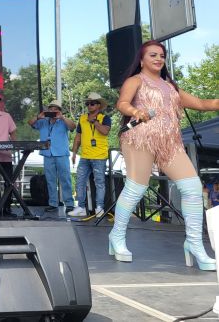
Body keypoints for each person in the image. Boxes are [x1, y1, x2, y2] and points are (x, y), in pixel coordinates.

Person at [110, 40, 219, 270]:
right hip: (140, 138)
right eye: (153, 55)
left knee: (192, 187)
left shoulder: (171, 87)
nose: (159, 59)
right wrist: (135, 111)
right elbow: (122, 103)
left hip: (170, 143)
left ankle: (194, 244)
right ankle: (116, 236)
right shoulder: (135, 80)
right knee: (136, 188)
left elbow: (202, 103)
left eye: (161, 55)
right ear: (142, 60)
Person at [68, 92, 111, 218]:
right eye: (87, 104)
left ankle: (99, 208)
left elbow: (105, 132)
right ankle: (81, 207)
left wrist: (95, 122)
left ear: (98, 105)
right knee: (79, 181)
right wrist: (74, 152)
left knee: (99, 183)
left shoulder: (105, 118)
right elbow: (78, 137)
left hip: (99, 156)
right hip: (85, 156)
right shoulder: (82, 118)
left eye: (92, 103)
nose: (89, 106)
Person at [28, 100, 76, 212]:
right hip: (47, 154)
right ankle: (53, 203)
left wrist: (62, 117)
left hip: (61, 154)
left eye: (56, 109)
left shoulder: (63, 121)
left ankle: (69, 203)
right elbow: (30, 123)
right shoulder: (43, 121)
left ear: (60, 111)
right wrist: (38, 117)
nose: (53, 111)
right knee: (50, 180)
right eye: (51, 109)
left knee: (65, 179)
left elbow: (73, 126)